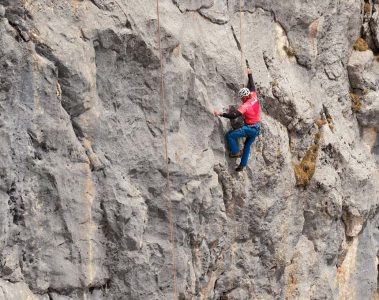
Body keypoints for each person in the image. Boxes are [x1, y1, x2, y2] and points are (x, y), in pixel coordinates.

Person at [214, 68, 261, 172]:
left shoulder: (245, 106)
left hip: (250, 128)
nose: (241, 100)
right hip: (257, 128)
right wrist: (250, 74)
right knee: (247, 146)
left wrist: (220, 114)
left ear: (243, 97)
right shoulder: (254, 96)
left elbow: (234, 115)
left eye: (241, 98)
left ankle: (235, 152)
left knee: (230, 135)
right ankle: (242, 165)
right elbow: (252, 86)